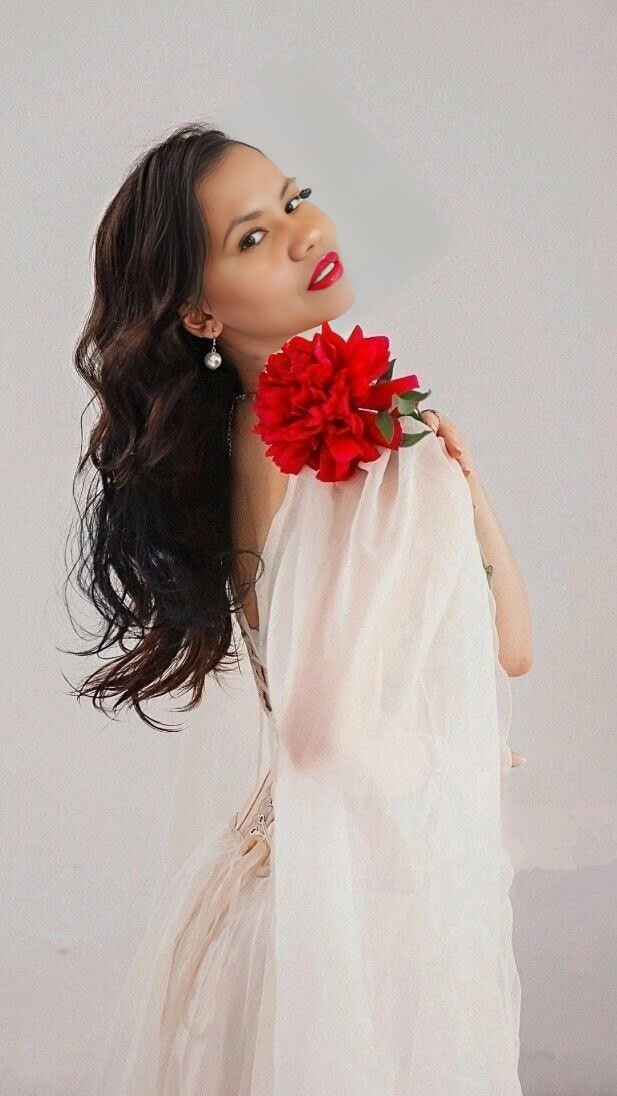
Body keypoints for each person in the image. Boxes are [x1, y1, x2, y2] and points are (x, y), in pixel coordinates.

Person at [67, 122, 531, 1094]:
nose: (303, 232)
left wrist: (458, 478)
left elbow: (315, 719)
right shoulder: (370, 453)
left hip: (256, 897)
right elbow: (494, 657)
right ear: (199, 312)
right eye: (252, 236)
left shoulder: (231, 440)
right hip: (361, 913)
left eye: (292, 200)